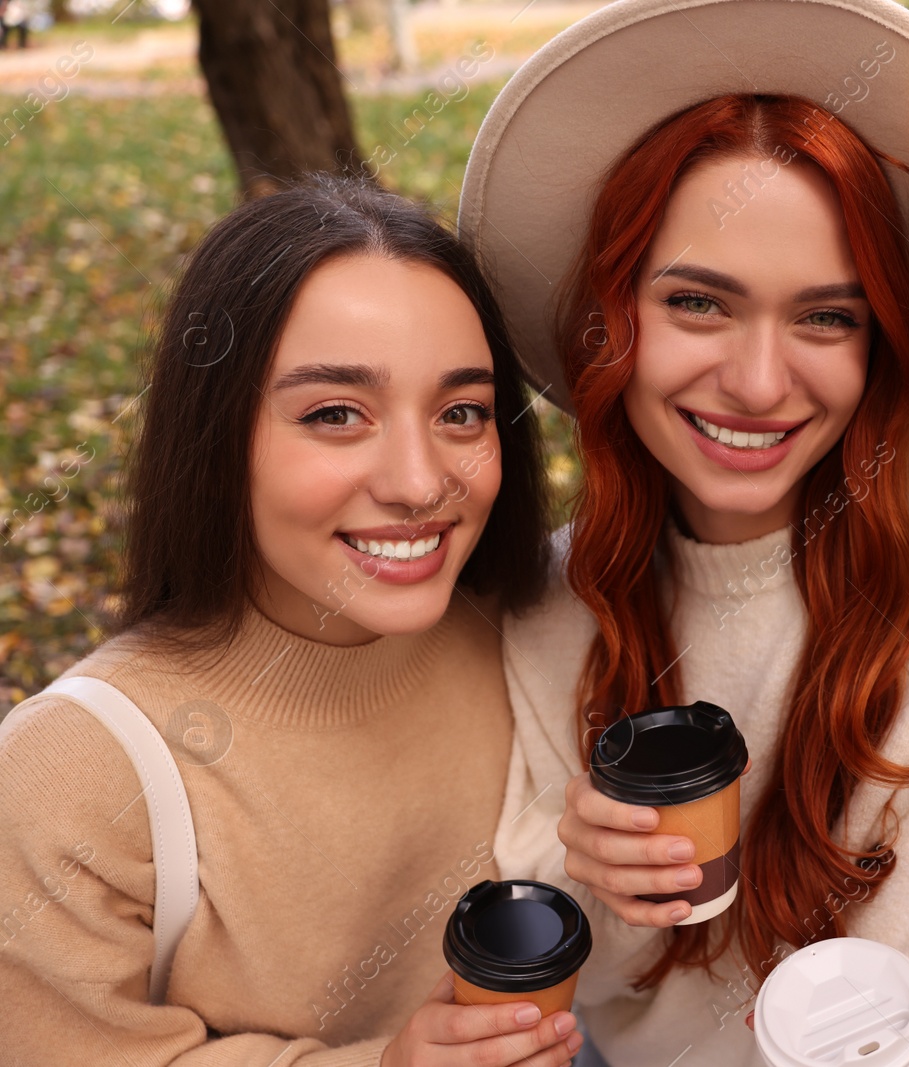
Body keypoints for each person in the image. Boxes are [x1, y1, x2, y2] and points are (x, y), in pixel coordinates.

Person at [460, 0, 909, 1063]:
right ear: (610, 315)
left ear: (880, 348)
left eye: (826, 316)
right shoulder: (544, 604)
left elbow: (869, 1013)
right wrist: (591, 869)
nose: (760, 383)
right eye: (698, 304)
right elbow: (536, 967)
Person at [0, 176, 581, 1067]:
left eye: (460, 410)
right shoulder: (70, 772)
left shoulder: (525, 628)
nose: (421, 481)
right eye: (336, 414)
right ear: (217, 435)